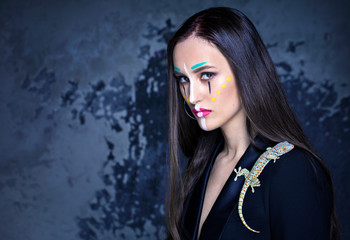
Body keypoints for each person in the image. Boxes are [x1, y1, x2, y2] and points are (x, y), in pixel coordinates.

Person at [165, 7, 339, 240]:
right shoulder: (202, 162)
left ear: (245, 70)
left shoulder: (293, 170)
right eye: (183, 79)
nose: (192, 96)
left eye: (206, 75)